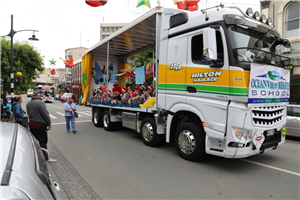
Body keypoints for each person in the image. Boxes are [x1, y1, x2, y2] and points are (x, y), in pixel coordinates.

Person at [27, 89, 56, 163]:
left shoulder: (28, 103)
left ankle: (35, 155)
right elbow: (45, 114)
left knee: (34, 141)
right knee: (43, 141)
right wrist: (49, 123)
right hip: (40, 124)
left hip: (31, 124)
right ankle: (45, 158)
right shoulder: (40, 103)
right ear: (39, 95)